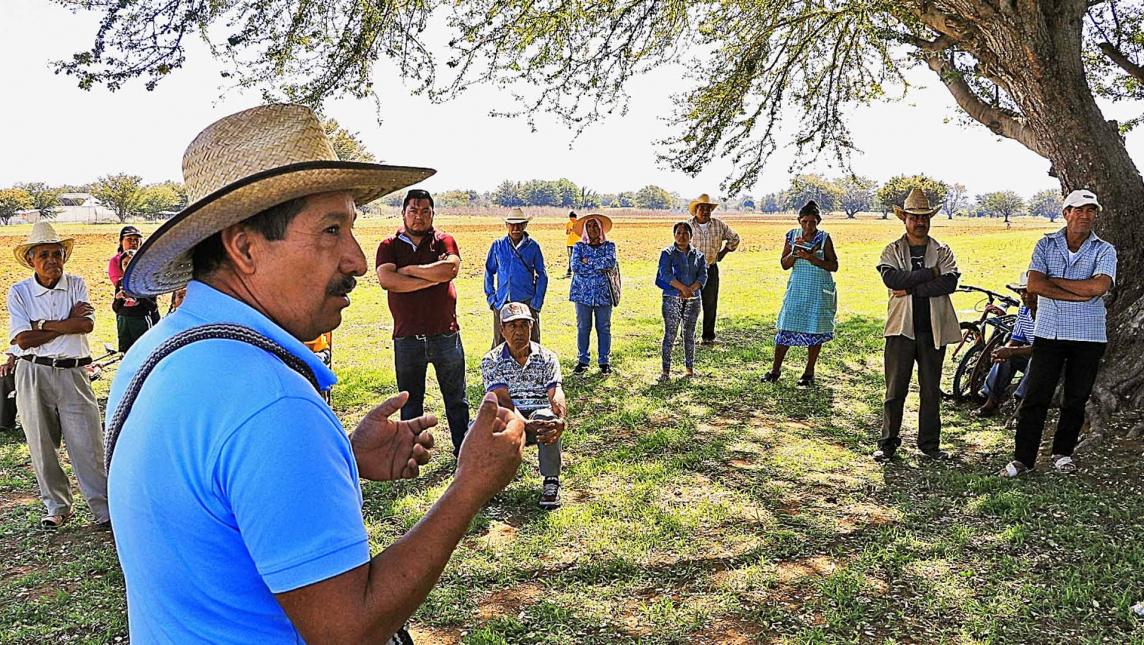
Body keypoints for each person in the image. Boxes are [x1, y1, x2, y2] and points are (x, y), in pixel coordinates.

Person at [105, 104, 525, 644]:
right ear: (245, 247)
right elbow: (348, 631)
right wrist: (471, 485)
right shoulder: (273, 405)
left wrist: (338, 460)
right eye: (331, 230)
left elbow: (210, 501)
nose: (354, 260)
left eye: (351, 228)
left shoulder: (157, 351)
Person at [1000, 189, 1117, 477]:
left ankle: (1063, 454)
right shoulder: (1046, 244)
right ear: (1066, 213)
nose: (1085, 216)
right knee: (1036, 396)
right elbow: (1035, 285)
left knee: (1076, 399)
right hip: (1049, 332)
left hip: (1089, 335)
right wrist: (1079, 292)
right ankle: (1022, 460)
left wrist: (1056, 282)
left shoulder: (1104, 249)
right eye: (1079, 210)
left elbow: (1098, 287)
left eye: (1091, 211)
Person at [7, 222, 108, 530]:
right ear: (31, 260)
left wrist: (39, 326)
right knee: (41, 443)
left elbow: (85, 326)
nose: (52, 260)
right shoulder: (20, 291)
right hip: (32, 372)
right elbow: (22, 341)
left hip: (73, 371)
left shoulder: (76, 284)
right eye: (44, 255)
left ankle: (104, 510)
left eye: (57, 254)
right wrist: (63, 323)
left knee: (88, 444)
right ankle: (57, 507)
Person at [377, 189, 471, 455]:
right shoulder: (389, 245)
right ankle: (411, 452)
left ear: (433, 213)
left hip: (445, 335)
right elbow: (387, 280)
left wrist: (408, 272)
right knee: (410, 401)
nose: (419, 217)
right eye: (413, 211)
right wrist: (431, 278)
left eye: (425, 211)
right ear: (403, 213)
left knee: (456, 399)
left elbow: (450, 269)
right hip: (407, 339)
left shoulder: (444, 241)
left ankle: (463, 451)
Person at [873, 188, 961, 463]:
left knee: (931, 390)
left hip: (933, 329)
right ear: (905, 219)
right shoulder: (892, 250)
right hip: (901, 329)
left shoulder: (942, 250)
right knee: (895, 390)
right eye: (914, 217)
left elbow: (949, 283)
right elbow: (892, 280)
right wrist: (930, 274)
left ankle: (930, 445)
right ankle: (887, 444)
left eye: (924, 217)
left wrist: (912, 288)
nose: (920, 223)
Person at [481, 303, 567, 510]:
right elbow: (503, 400)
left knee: (547, 418)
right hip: (509, 416)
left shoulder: (548, 357)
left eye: (524, 325)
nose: (519, 331)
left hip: (539, 414)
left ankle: (551, 481)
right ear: (502, 330)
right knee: (483, 425)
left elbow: (556, 392)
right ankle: (489, 484)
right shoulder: (491, 360)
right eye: (512, 326)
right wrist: (526, 424)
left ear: (532, 327)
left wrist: (560, 419)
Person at [762, 200, 839, 386]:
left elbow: (834, 265)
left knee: (815, 329)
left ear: (818, 221)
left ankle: (808, 372)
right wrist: (795, 253)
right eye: (804, 221)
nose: (808, 226)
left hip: (818, 289)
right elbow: (784, 264)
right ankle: (775, 370)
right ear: (799, 221)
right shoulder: (791, 236)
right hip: (797, 288)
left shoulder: (824, 238)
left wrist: (813, 258)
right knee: (786, 327)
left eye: (812, 222)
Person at [485, 208, 548, 349]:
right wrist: (491, 299)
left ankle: (534, 369)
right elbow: (489, 271)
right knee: (500, 343)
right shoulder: (498, 245)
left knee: (531, 342)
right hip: (502, 301)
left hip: (526, 301)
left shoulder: (533, 246)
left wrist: (536, 303)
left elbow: (542, 275)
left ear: (525, 225)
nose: (516, 228)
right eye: (512, 225)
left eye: (519, 224)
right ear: (506, 226)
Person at [976, 272, 1037, 417]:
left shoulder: (1048, 312)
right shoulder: (1024, 310)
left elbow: (1043, 348)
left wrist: (1011, 351)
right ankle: (991, 400)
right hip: (1029, 355)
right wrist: (1005, 350)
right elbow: (1016, 338)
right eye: (1023, 292)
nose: (1027, 296)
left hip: (1049, 360)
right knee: (1005, 355)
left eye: (1032, 293)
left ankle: (1021, 404)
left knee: (1037, 360)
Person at [656, 221, 707, 381]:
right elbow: (665, 274)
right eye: (678, 233)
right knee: (670, 334)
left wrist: (691, 289)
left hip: (693, 299)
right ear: (674, 235)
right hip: (672, 298)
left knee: (689, 334)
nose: (682, 236)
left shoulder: (699, 255)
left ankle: (689, 369)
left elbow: (703, 276)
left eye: (685, 233)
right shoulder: (667, 253)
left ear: (691, 236)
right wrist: (682, 288)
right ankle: (665, 371)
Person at [687, 193, 740, 345]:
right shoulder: (688, 226)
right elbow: (680, 244)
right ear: (696, 210)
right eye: (702, 208)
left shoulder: (719, 225)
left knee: (710, 303)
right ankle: (687, 335)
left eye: (708, 209)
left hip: (710, 268)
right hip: (691, 270)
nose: (705, 211)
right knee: (689, 304)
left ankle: (708, 336)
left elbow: (735, 238)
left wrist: (723, 252)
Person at [569, 213, 617, 375]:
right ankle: (583, 360)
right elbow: (575, 267)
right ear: (584, 229)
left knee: (604, 327)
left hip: (604, 294)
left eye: (595, 226)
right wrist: (597, 266)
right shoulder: (578, 247)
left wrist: (588, 261)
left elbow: (609, 263)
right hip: (582, 294)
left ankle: (604, 361)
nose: (593, 229)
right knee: (583, 327)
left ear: (601, 228)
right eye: (589, 226)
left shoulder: (609, 246)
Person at [111, 249, 160, 353]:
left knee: (143, 350)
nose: (128, 266)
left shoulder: (146, 282)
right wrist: (118, 298)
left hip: (140, 320)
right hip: (124, 322)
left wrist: (137, 296)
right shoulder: (121, 282)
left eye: (132, 263)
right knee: (125, 352)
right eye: (125, 264)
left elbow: (153, 306)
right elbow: (116, 308)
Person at [564, 211, 578, 278]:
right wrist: (569, 231)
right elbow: (567, 233)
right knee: (570, 257)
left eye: (573, 219)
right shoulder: (568, 224)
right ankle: (569, 270)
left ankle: (576, 271)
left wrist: (574, 230)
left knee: (577, 257)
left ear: (575, 218)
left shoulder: (578, 223)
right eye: (570, 219)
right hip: (569, 243)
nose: (571, 220)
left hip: (577, 243)